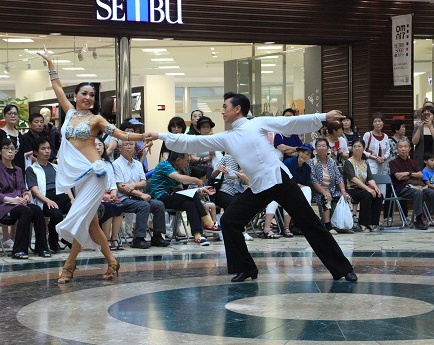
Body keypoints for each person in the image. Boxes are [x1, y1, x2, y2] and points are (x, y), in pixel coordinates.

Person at [145, 93, 356, 283]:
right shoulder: (225, 137)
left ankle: (343, 269)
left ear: (237, 109)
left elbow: (290, 122)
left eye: (225, 106)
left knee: (311, 224)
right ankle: (246, 268)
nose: (222, 110)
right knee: (229, 221)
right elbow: (193, 143)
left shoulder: (257, 123)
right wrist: (161, 136)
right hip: (258, 186)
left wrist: (322, 117)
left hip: (278, 179)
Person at [37, 48, 147, 284]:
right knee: (90, 221)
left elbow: (118, 134)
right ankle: (112, 261)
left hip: (96, 174)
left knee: (80, 218)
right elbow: (57, 89)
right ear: (76, 95)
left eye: (92, 94)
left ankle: (69, 264)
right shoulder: (68, 114)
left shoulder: (96, 119)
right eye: (84, 93)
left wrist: (142, 136)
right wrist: (50, 64)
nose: (88, 97)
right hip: (78, 176)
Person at [0, 138, 49, 259]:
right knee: (26, 211)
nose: (10, 151)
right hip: (4, 206)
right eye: (6, 148)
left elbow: (22, 188)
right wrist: (13, 200)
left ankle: (42, 247)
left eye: (12, 149)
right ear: (0, 151)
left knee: (36, 210)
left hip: (20, 203)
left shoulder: (18, 170)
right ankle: (19, 250)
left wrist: (26, 194)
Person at [148, 152, 218, 246]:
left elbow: (181, 189)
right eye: (187, 161)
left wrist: (201, 189)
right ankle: (208, 222)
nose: (188, 163)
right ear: (178, 160)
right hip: (160, 197)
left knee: (190, 204)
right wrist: (196, 180)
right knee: (192, 196)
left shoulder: (175, 168)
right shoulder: (164, 165)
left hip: (171, 196)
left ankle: (197, 235)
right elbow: (180, 178)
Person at [114, 139, 171, 248]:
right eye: (126, 145)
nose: (129, 147)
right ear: (120, 149)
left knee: (158, 205)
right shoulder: (116, 164)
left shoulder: (138, 164)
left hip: (137, 198)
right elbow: (121, 187)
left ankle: (157, 237)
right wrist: (140, 194)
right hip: (124, 199)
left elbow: (144, 183)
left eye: (131, 144)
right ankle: (138, 239)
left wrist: (132, 186)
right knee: (144, 206)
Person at [25, 137, 74, 252]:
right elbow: (35, 190)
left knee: (77, 209)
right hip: (46, 198)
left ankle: (68, 237)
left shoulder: (56, 167)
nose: (47, 151)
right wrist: (47, 201)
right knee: (56, 214)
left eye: (48, 148)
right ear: (36, 152)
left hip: (61, 195)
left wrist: (72, 199)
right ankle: (53, 240)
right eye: (43, 149)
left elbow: (65, 185)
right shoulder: (31, 169)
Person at [389, 139, 434, 230]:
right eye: (400, 147)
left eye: (405, 147)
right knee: (418, 193)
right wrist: (413, 175)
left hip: (418, 185)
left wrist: (408, 173)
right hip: (403, 188)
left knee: (433, 192)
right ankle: (418, 219)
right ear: (397, 149)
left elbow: (421, 175)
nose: (403, 149)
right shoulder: (393, 163)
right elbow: (399, 177)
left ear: (409, 149)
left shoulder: (413, 162)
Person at [310, 138, 353, 234]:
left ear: (328, 148)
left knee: (345, 196)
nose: (321, 148)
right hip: (318, 191)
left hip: (332, 189)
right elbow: (313, 180)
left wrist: (343, 190)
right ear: (315, 149)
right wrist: (324, 191)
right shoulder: (312, 162)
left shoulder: (332, 161)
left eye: (323, 146)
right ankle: (328, 226)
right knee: (326, 197)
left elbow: (339, 177)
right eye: (319, 146)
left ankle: (343, 224)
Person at [343, 139, 384, 232]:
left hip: (364, 188)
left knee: (379, 195)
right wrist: (368, 189)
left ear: (363, 149)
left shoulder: (365, 162)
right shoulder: (348, 162)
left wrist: (375, 188)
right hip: (351, 189)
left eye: (359, 146)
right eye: (354, 146)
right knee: (367, 195)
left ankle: (374, 223)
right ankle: (362, 224)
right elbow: (353, 178)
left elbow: (370, 178)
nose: (356, 148)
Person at [94, 135, 124, 251]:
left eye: (100, 145)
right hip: (96, 197)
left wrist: (113, 194)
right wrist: (103, 196)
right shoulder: (87, 164)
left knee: (119, 205)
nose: (98, 148)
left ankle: (114, 238)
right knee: (108, 208)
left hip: (108, 195)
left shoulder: (107, 163)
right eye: (95, 145)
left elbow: (112, 182)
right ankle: (105, 240)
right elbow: (90, 187)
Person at [383, 119, 408, 225]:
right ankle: (387, 216)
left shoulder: (406, 139)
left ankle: (405, 215)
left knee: (405, 189)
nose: (404, 129)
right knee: (390, 191)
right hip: (391, 169)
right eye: (402, 127)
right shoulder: (389, 141)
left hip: (404, 169)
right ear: (396, 129)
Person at [362, 112, 389, 195]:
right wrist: (374, 157)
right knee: (372, 186)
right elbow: (362, 150)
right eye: (375, 121)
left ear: (383, 123)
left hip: (382, 166)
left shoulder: (386, 136)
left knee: (382, 189)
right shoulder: (368, 135)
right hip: (371, 166)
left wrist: (383, 158)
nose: (377, 123)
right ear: (372, 123)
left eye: (379, 121)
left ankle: (381, 206)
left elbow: (388, 151)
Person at [411, 104, 434, 170]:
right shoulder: (418, 126)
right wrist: (419, 129)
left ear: (433, 116)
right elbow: (414, 142)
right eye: (425, 114)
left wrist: (430, 127)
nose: (427, 116)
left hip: (433, 156)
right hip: (420, 156)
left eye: (429, 114)